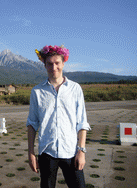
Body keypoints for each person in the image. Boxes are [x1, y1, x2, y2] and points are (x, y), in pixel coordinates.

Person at [27, 45, 91, 188]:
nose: (54, 67)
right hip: (47, 152)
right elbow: (32, 124)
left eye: (57, 63)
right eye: (49, 63)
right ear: (44, 65)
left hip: (71, 151)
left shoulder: (75, 89)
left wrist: (81, 151)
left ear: (63, 63)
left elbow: (82, 122)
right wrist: (31, 153)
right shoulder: (37, 91)